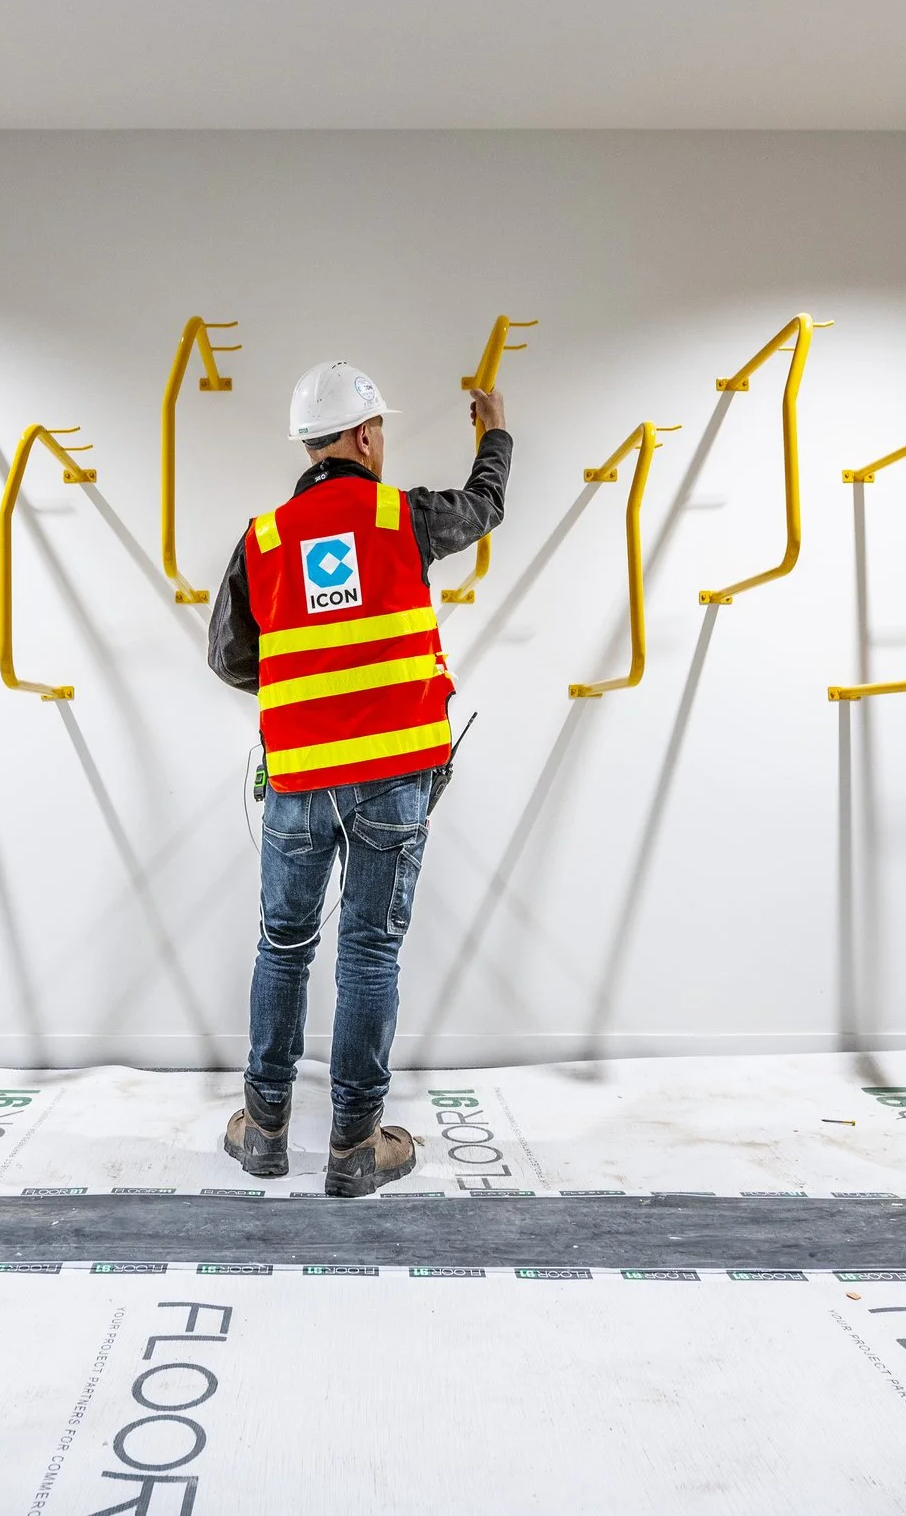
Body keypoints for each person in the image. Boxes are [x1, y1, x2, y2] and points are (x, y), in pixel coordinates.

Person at [206, 359, 511, 1195]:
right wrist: (495, 434)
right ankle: (354, 1146)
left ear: (310, 444)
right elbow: (485, 505)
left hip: (299, 776)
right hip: (393, 778)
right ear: (366, 435)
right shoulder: (403, 517)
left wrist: (308, 688)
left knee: (283, 945)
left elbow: (229, 656)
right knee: (370, 954)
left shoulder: (265, 539)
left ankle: (264, 1131)